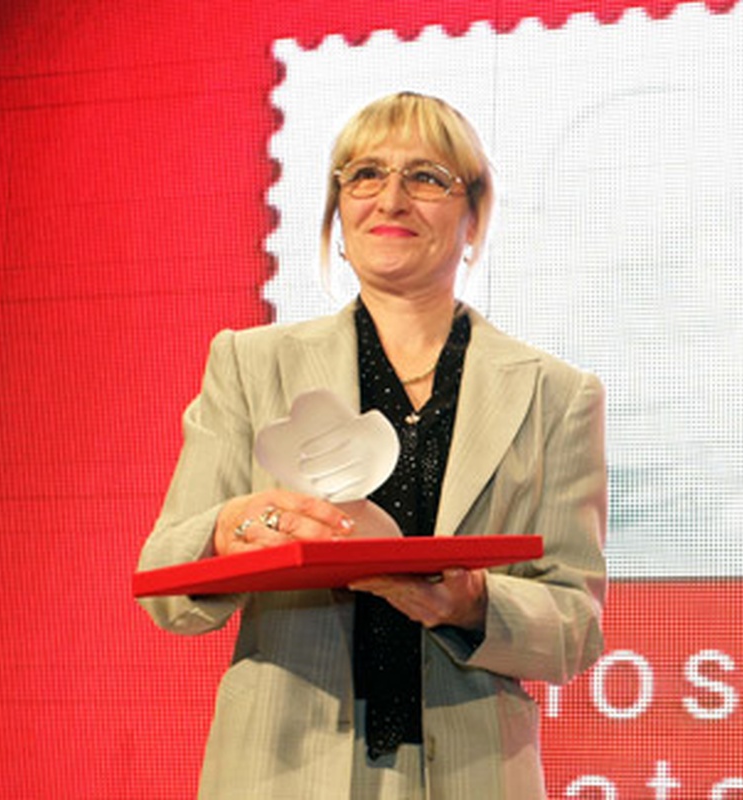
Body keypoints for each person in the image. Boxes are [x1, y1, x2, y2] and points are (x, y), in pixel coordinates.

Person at [137, 91, 607, 799]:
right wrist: (229, 530)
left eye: (427, 178)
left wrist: (471, 602)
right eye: (365, 175)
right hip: (281, 771)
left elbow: (575, 627)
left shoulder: (556, 394)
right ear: (338, 213)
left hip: (472, 773)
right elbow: (166, 583)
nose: (391, 198)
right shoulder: (249, 363)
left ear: (473, 214)